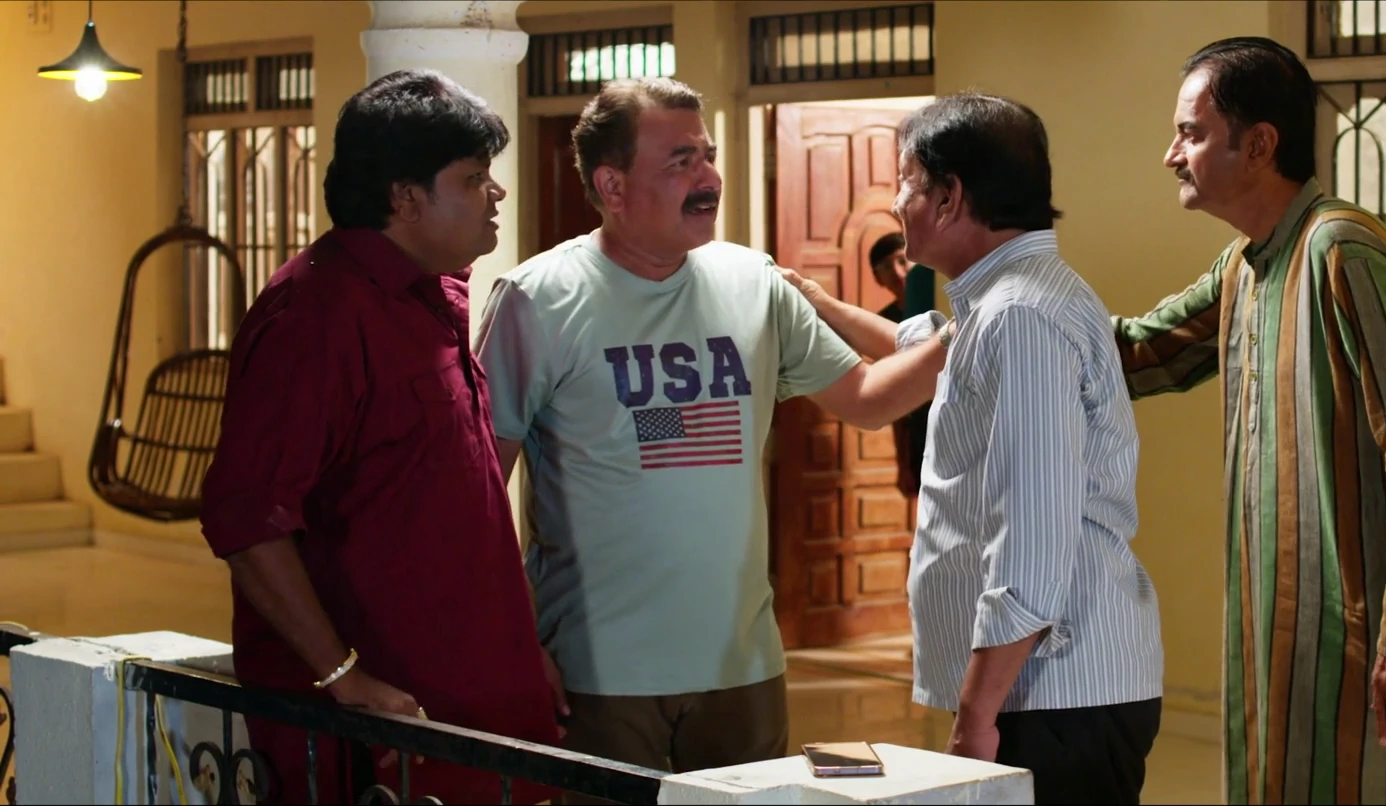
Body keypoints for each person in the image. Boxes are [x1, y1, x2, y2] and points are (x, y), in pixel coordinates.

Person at [473, 76, 950, 804]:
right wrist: (511, 641)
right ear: (612, 185)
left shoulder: (752, 281)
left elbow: (867, 399)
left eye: (709, 156)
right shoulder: (537, 299)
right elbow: (479, 489)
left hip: (742, 667)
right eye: (681, 161)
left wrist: (972, 335)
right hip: (601, 673)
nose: (709, 178)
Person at [1112, 37, 1386, 804]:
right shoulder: (1244, 266)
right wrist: (992, 330)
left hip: (1366, 639)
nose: (1171, 155)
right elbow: (1141, 353)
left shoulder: (1340, 249)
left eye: (1190, 134)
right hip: (1279, 629)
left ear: (1259, 145)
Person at [780, 92, 1164, 806]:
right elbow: (919, 347)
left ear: (950, 196)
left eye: (905, 182)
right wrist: (816, 302)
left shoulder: (1019, 317)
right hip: (1047, 690)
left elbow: (1033, 534)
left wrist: (977, 713)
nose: (895, 204)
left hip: (1054, 691)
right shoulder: (1005, 301)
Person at [198, 69, 562, 805]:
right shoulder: (318, 315)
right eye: (473, 178)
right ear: (405, 199)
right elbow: (247, 518)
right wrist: (342, 674)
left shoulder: (433, 294)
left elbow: (460, 504)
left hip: (478, 703)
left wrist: (522, 652)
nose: (496, 193)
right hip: (386, 731)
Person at [866, 232, 935, 496]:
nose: (897, 272)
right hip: (918, 431)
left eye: (902, 260)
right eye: (885, 267)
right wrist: (902, 462)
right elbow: (893, 394)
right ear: (877, 278)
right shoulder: (883, 321)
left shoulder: (940, 300)